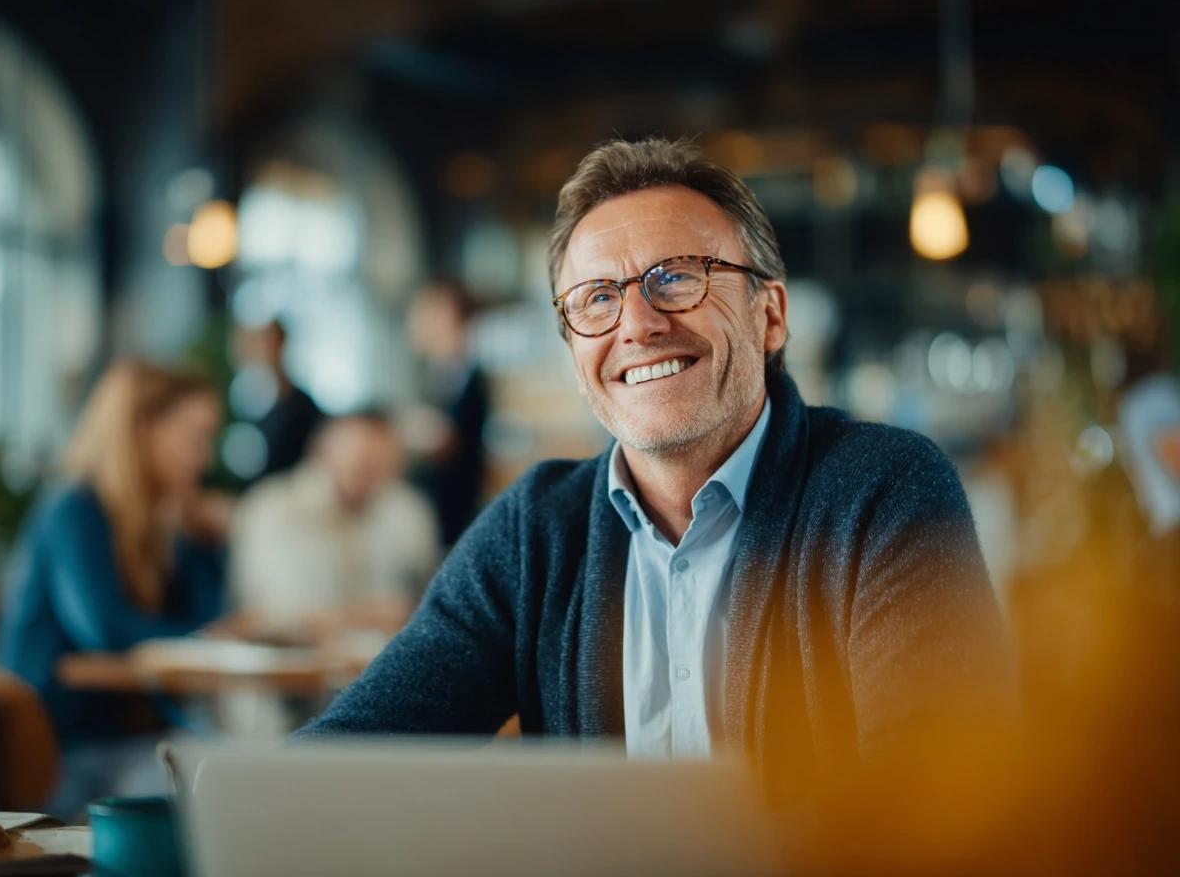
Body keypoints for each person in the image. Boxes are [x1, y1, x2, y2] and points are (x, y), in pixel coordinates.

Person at [295, 139, 1015, 805]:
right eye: (598, 299)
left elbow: (941, 803)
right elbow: (347, 760)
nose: (637, 324)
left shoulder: (884, 491)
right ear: (575, 358)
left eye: (678, 278)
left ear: (771, 316)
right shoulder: (535, 531)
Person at [0, 361, 228, 819]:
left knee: (230, 772)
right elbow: (109, 630)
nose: (204, 457)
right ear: (144, 429)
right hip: (60, 753)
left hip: (125, 742)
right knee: (208, 788)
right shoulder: (74, 508)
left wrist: (203, 545)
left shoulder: (151, 526)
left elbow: (200, 618)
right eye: (194, 437)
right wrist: (218, 634)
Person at [229, 412, 440, 636]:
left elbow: (427, 601)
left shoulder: (406, 509)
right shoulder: (272, 509)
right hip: (294, 666)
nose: (372, 479)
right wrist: (367, 617)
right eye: (362, 463)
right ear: (321, 451)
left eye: (384, 467)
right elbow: (269, 617)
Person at [405, 278, 490, 546]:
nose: (415, 322)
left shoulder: (465, 375)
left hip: (451, 514)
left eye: (425, 312)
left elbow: (446, 443)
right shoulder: (430, 373)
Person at [233, 319, 324, 481]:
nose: (255, 353)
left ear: (280, 346)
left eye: (262, 344)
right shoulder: (237, 407)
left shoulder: (302, 408)